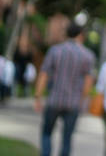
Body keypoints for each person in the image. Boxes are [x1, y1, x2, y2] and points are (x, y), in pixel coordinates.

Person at [34, 23, 95, 156]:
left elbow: (43, 74)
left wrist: (38, 97)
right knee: (67, 139)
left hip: (54, 99)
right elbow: (88, 82)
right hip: (73, 102)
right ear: (81, 35)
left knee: (46, 133)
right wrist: (83, 100)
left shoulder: (55, 50)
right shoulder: (87, 55)